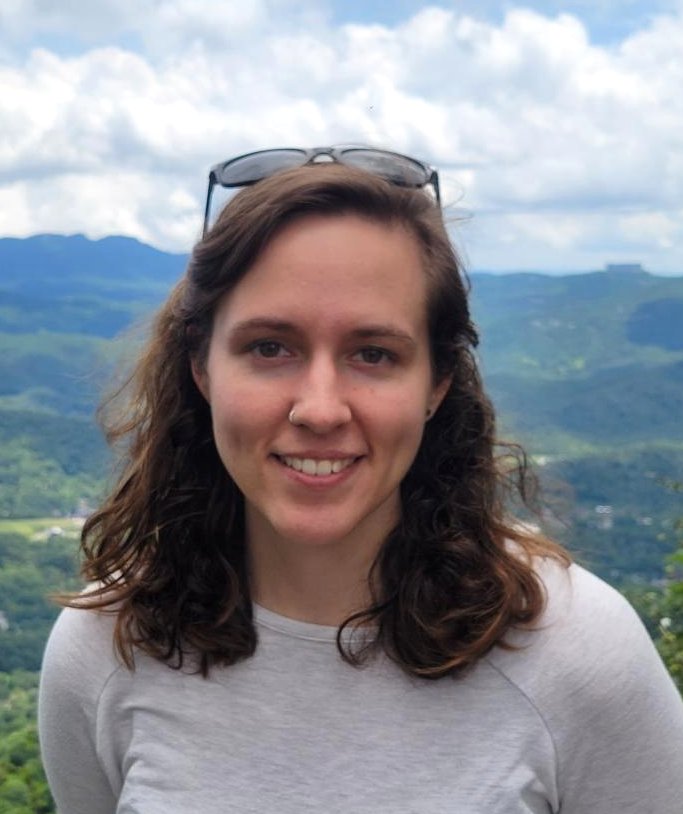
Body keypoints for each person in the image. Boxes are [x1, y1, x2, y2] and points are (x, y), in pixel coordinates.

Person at [39, 146, 683, 814]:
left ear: (436, 382)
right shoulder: (104, 650)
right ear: (202, 368)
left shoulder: (574, 655)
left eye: (373, 354)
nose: (319, 408)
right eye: (269, 347)